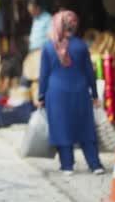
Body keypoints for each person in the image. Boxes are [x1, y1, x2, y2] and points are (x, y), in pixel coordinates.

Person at [38, 10, 106, 176]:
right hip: (80, 92)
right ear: (74, 25)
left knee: (61, 127)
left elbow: (44, 74)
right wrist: (95, 95)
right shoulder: (81, 46)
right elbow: (90, 72)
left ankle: (67, 165)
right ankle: (95, 165)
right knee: (85, 127)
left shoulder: (48, 47)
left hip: (56, 94)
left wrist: (40, 96)